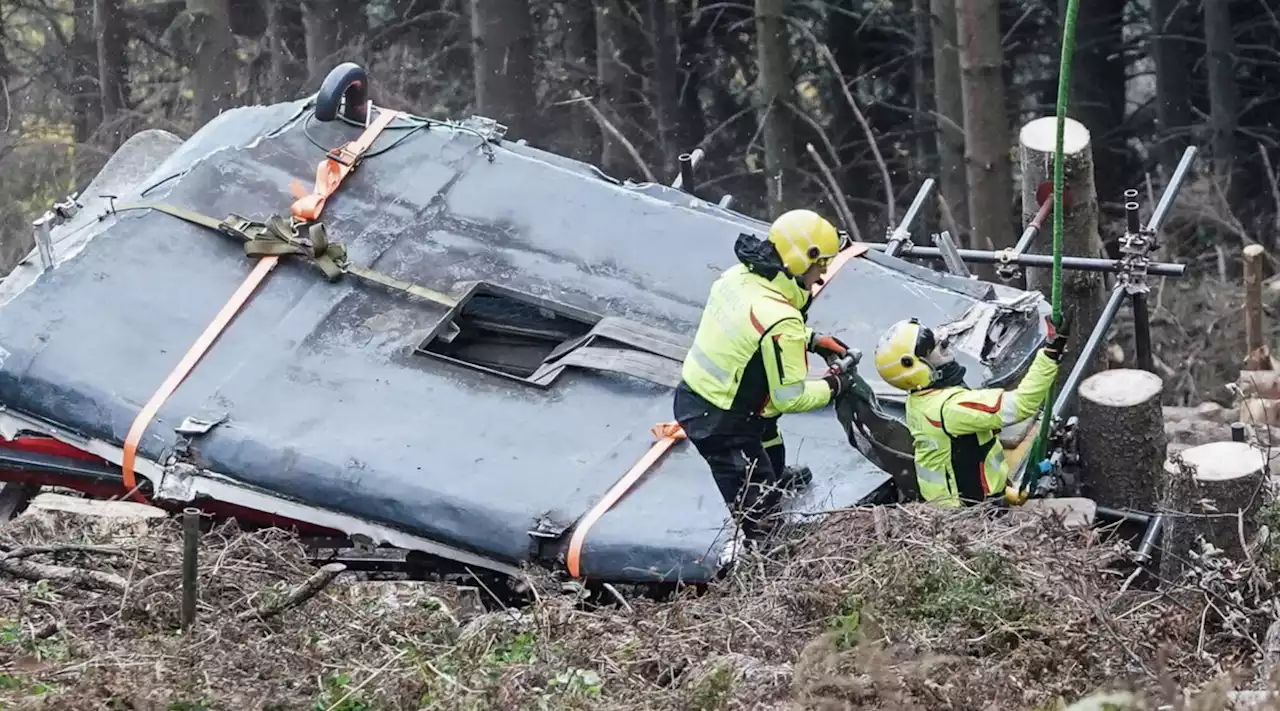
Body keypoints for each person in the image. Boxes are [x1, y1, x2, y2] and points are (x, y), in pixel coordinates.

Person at [673, 209, 859, 540]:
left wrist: (811, 339)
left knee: (767, 428)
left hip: (706, 393)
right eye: (822, 264)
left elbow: (755, 325)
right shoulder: (781, 319)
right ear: (802, 259)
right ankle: (766, 557)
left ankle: (773, 473)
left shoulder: (739, 276)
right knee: (761, 517)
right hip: (720, 422)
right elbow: (790, 397)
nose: (823, 273)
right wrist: (835, 384)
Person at [871, 315, 1068, 507]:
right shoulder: (949, 408)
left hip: (950, 505)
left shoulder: (918, 400)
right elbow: (1021, 403)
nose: (943, 341)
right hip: (973, 511)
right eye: (931, 347)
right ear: (914, 367)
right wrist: (1051, 352)